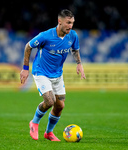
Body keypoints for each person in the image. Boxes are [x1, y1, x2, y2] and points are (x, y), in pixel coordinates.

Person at [20, 9, 86, 141]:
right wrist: (25, 68)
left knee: (60, 106)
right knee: (50, 101)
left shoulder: (72, 35)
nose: (70, 26)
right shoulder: (45, 36)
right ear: (59, 21)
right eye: (68, 23)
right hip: (41, 72)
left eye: (72, 23)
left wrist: (79, 63)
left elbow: (75, 49)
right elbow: (28, 46)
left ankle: (49, 133)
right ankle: (34, 122)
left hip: (57, 74)